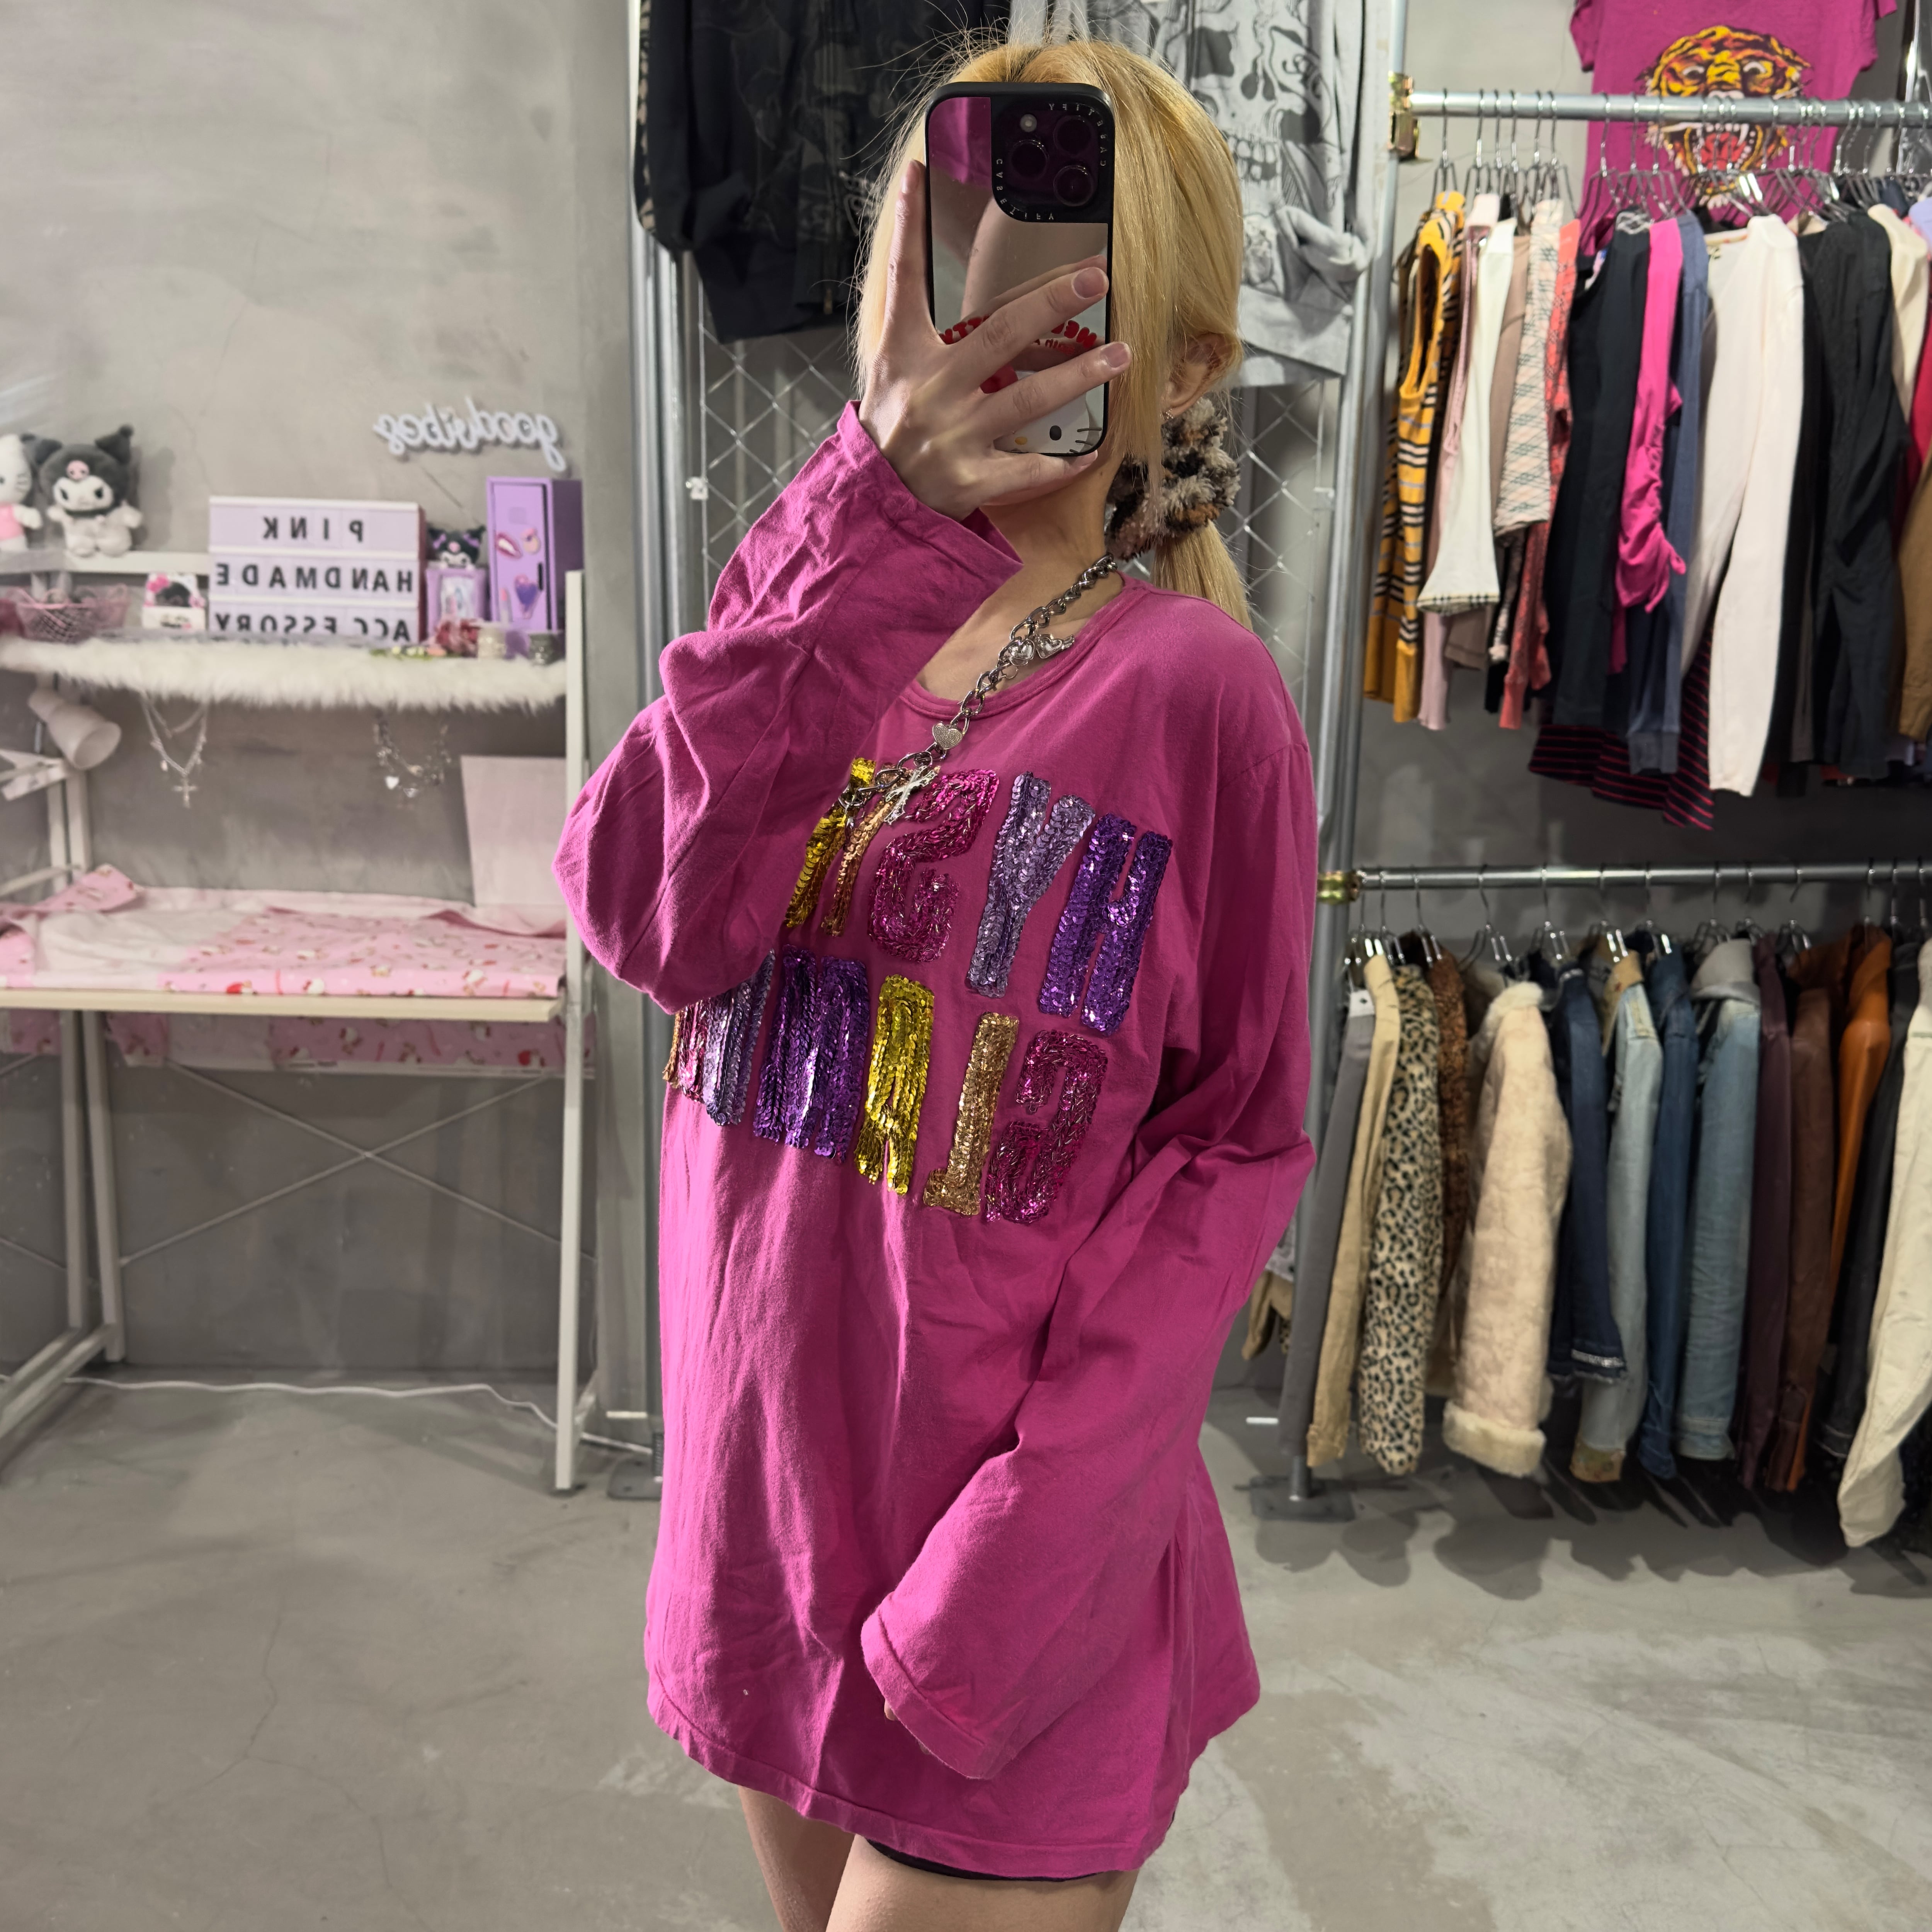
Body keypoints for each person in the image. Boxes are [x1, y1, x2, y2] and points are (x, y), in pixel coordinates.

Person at [556, 36, 1316, 1932]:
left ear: (1184, 366)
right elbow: (644, 914)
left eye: (1058, 293)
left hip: (1016, 1583)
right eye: (942, 264)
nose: (989, 328)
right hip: (768, 1542)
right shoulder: (803, 607)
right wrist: (856, 519)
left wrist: (1012, 1566)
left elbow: (1227, 1157)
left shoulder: (1195, 694)